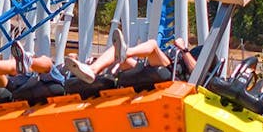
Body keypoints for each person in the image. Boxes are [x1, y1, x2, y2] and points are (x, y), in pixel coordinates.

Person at [63, 28, 197, 84]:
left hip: (174, 75)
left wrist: (184, 49)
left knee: (152, 44)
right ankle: (92, 70)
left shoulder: (200, 58)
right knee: (114, 50)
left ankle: (125, 52)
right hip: (148, 65)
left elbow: (195, 71)